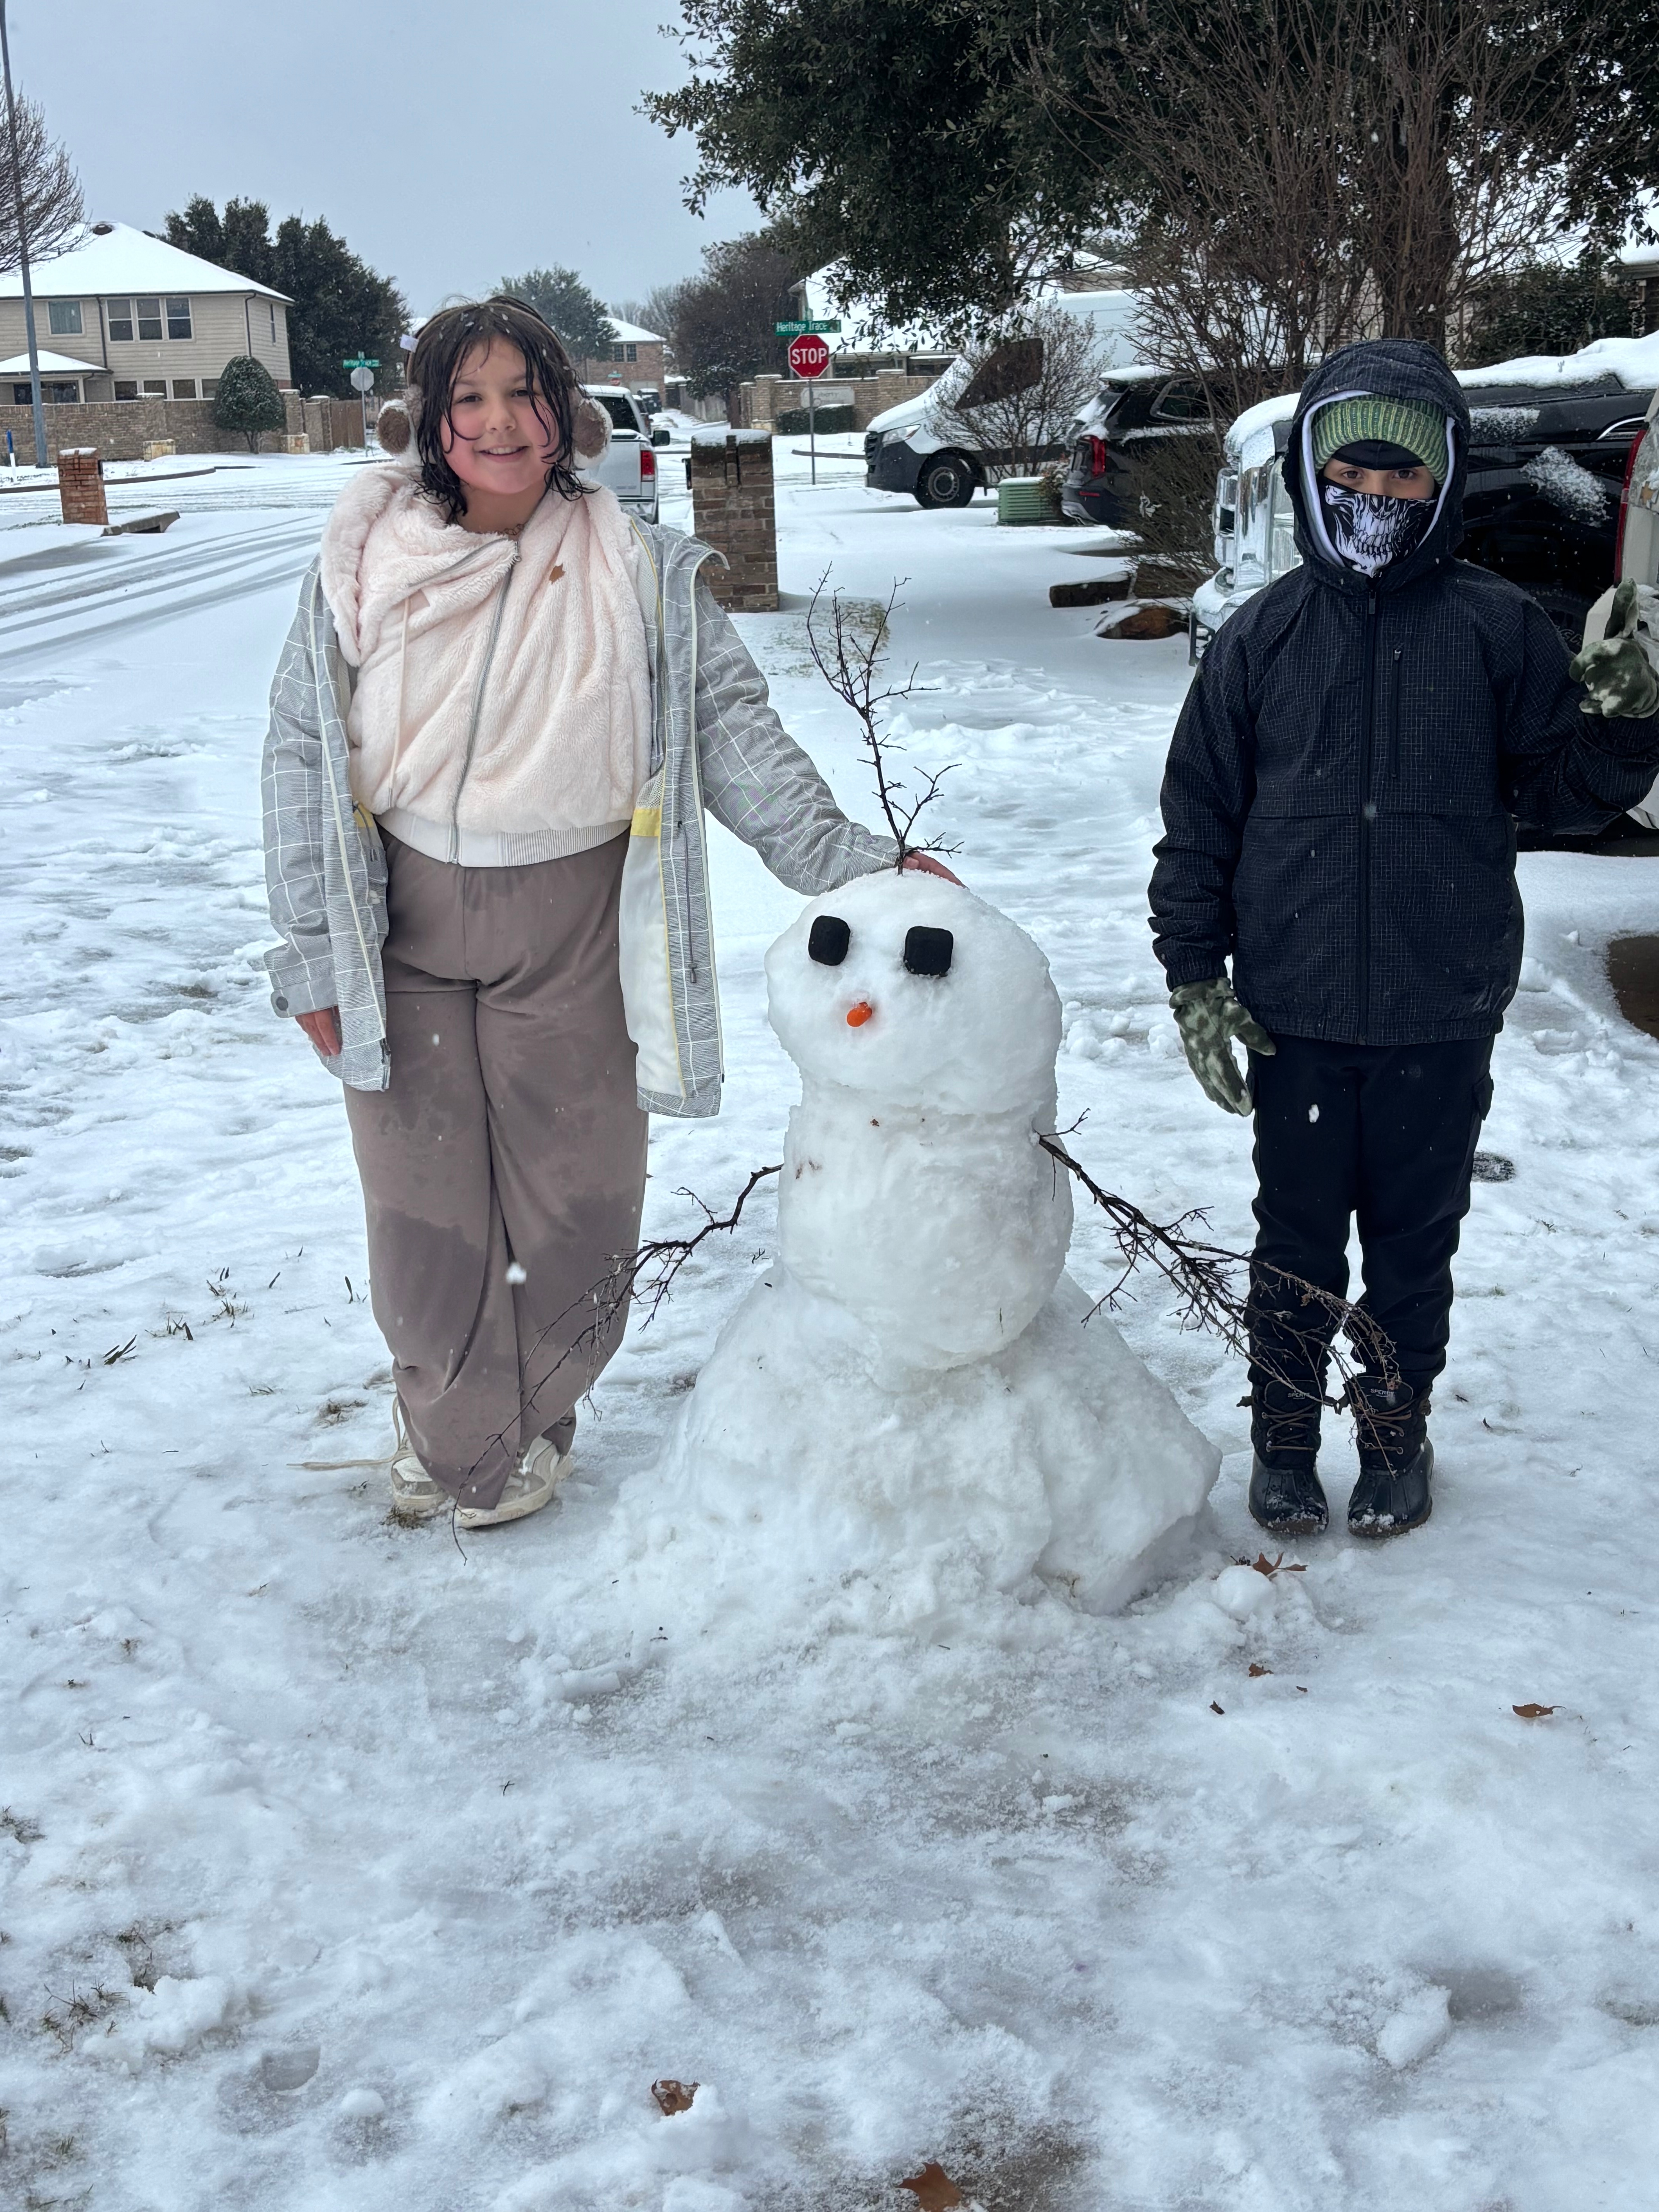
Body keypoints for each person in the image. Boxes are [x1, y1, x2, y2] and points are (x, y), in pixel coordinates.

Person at [262, 297, 952, 1530]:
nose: (496, 423)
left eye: (520, 393)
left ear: (561, 412)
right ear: (429, 419)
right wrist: (313, 947)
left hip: (577, 924)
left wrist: (854, 864)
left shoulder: (635, 568)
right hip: (400, 929)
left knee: (576, 1211)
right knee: (425, 1220)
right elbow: (301, 755)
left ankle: (521, 1414)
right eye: (465, 398)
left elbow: (733, 733)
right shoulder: (364, 562)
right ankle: (464, 1435)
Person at [1149, 337, 1659, 1541]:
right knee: (1295, 1240)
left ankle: (1392, 1434)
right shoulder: (1261, 640)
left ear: (1439, 490)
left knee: (1414, 1243)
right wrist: (1193, 977)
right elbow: (1198, 820)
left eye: (1403, 485)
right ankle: (1282, 1441)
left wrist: (1630, 719)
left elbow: (1563, 794)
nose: (1374, 505)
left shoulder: (1492, 631)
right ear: (1311, 476)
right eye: (1352, 480)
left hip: (1439, 1001)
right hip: (1295, 1001)